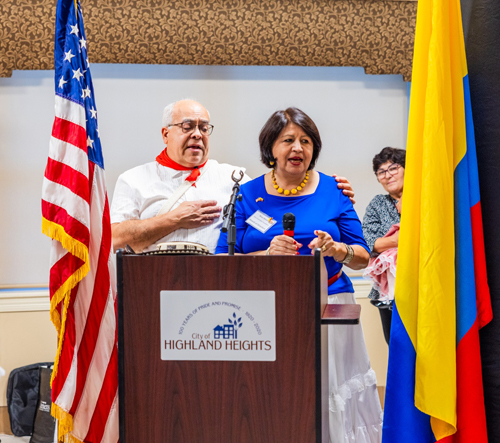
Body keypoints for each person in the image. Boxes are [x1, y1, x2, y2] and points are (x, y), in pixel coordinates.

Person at [215, 107, 383, 443]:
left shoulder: (335, 191)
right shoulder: (246, 195)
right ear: (271, 148)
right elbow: (223, 259)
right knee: (272, 392)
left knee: (328, 390)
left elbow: (363, 256)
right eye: (288, 140)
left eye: (306, 141)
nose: (298, 148)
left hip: (328, 304)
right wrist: (266, 254)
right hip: (262, 311)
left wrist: (338, 250)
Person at [110, 99, 355, 254]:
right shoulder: (133, 179)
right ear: (166, 134)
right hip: (149, 287)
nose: (197, 134)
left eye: (204, 128)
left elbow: (276, 207)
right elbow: (114, 239)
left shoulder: (234, 178)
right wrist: (173, 220)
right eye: (187, 126)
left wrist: (332, 196)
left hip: (215, 289)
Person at [362, 147, 405, 345]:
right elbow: (371, 243)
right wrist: (400, 240)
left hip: (423, 280)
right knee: (395, 343)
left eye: (393, 168)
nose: (387, 175)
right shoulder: (378, 204)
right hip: (388, 288)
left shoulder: (425, 198)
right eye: (381, 172)